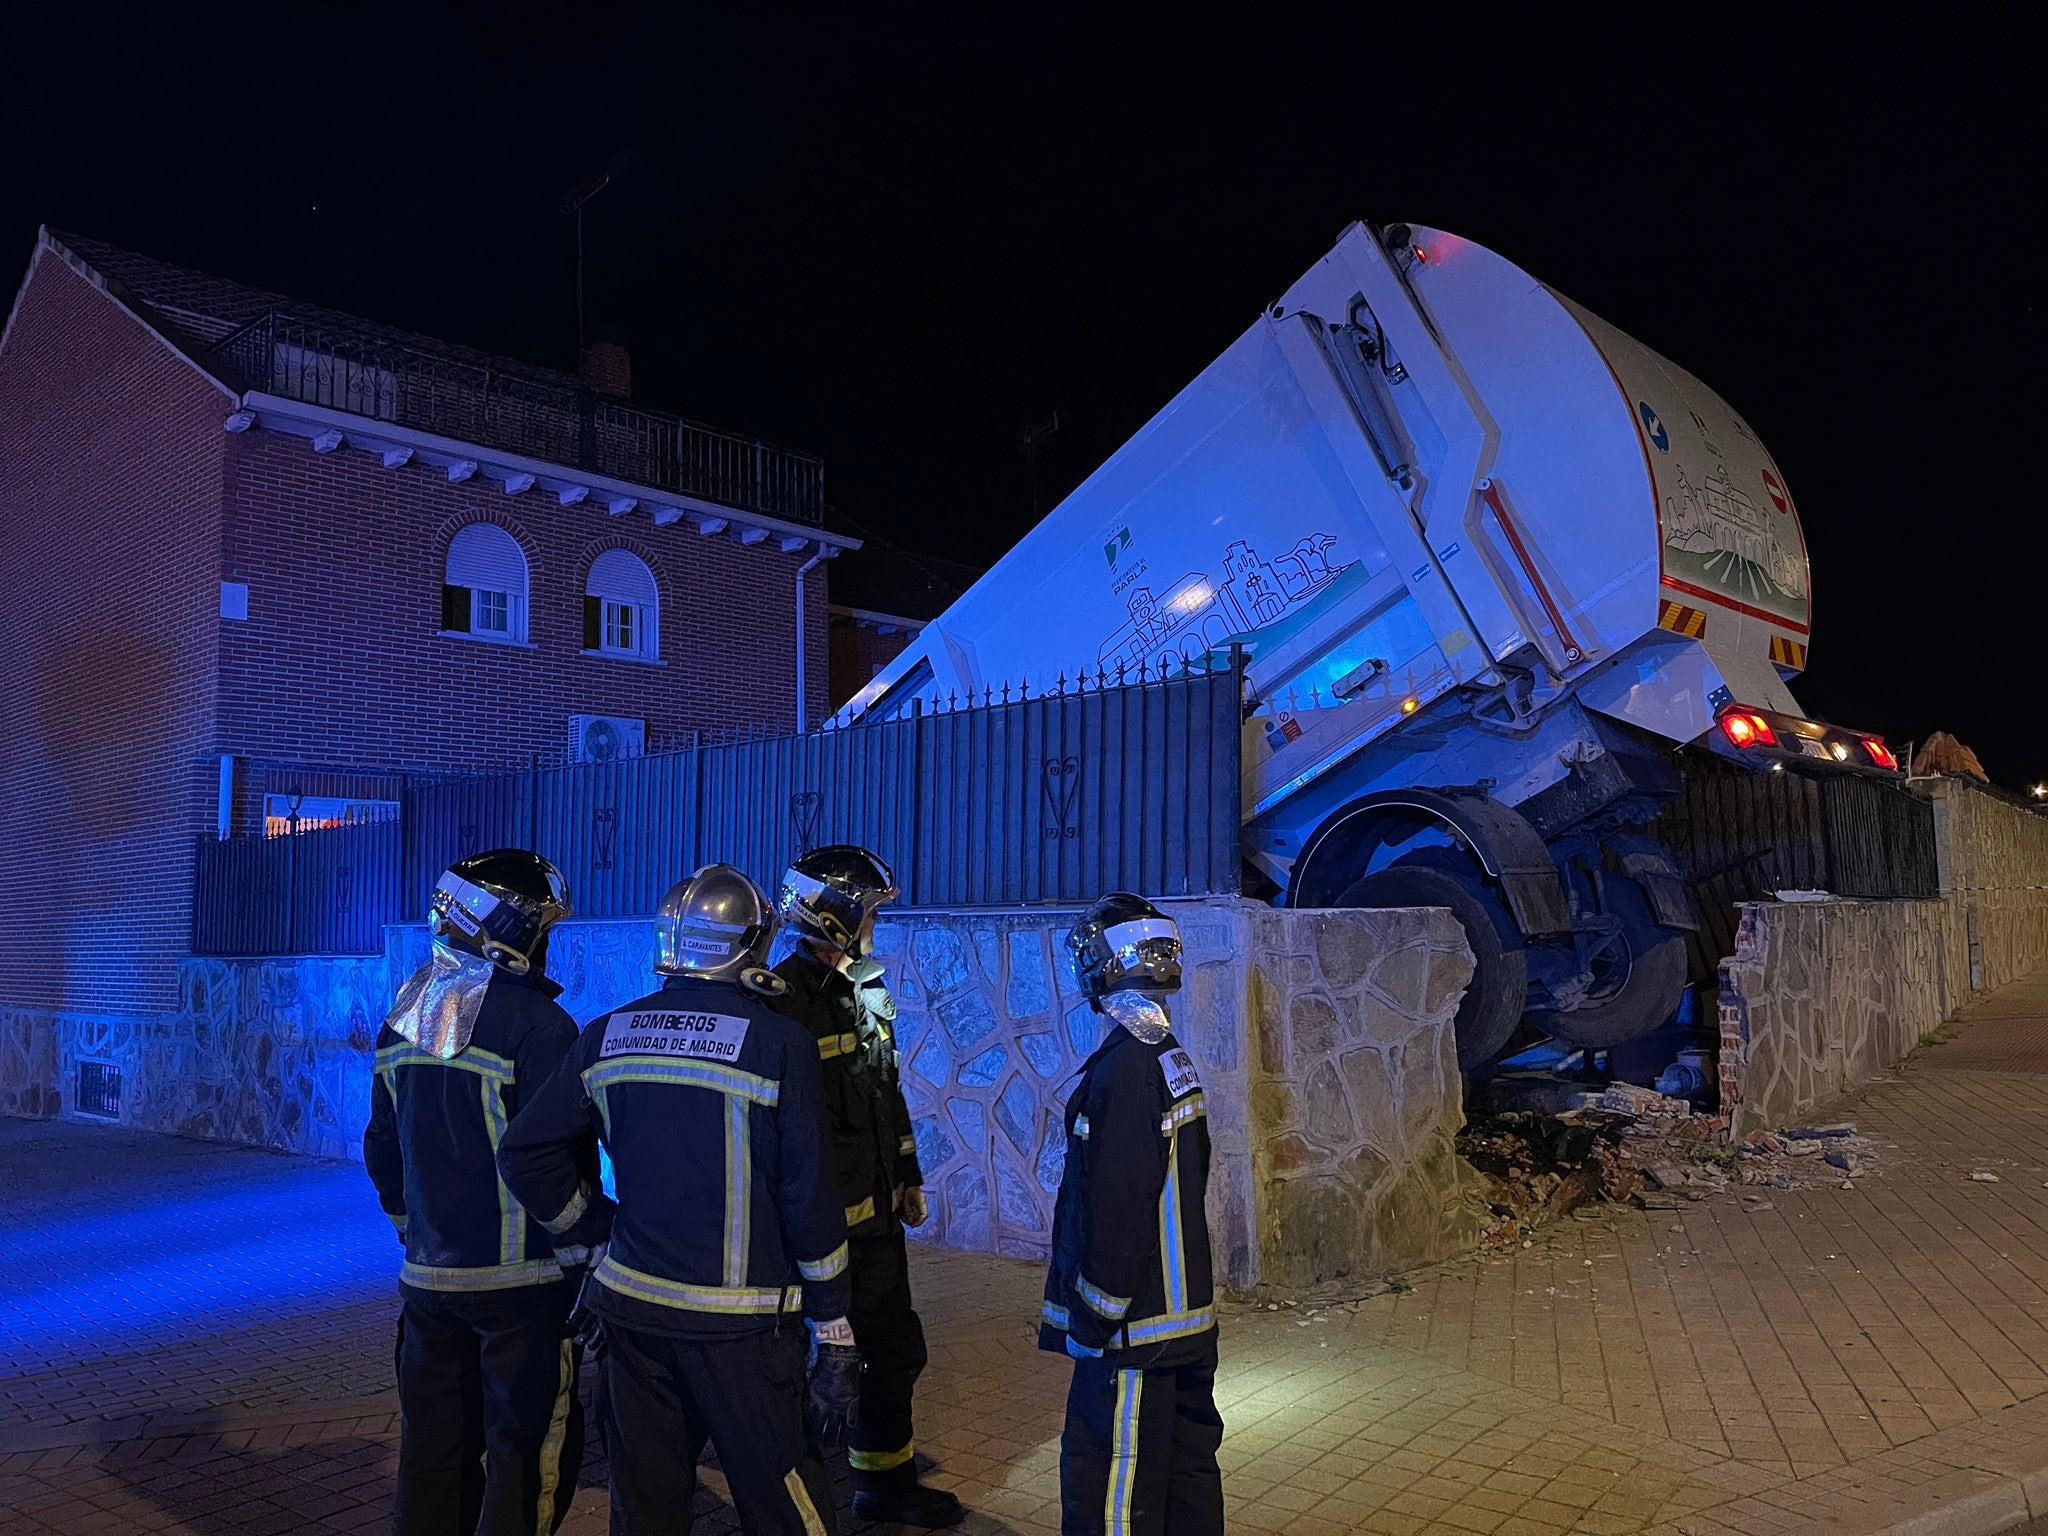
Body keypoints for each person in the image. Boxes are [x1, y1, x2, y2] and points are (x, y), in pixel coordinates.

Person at [498, 863, 858, 1536]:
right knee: (786, 1507)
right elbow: (808, 1194)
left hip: (631, 1315)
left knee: (646, 1505)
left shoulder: (605, 1034)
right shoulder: (781, 1044)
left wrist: (592, 1234)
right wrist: (834, 1328)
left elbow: (525, 1152)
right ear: (751, 946)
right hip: (742, 1330)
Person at [363, 849, 593, 1536]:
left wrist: (413, 1228)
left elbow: (382, 1150)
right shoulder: (542, 1028)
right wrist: (586, 1243)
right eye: (541, 927)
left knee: (433, 1456)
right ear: (508, 929)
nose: (546, 943)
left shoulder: (403, 1017)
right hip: (520, 1292)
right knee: (527, 1458)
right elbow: (560, 1157)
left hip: (427, 1285)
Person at [771, 846, 964, 1529]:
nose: (876, 924)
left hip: (878, 1221)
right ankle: (791, 1499)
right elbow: (789, 1136)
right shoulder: (785, 1002)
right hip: (825, 1233)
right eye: (869, 911)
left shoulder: (863, 987)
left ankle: (884, 1486)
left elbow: (885, 1091)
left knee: (895, 1353)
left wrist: (907, 1175)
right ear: (834, 917)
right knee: (825, 1370)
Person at [1040, 893, 1223, 1536]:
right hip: (1185, 1321)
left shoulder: (1127, 1070)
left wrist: (1092, 1317)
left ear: (1111, 967)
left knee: (1116, 1486)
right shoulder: (1169, 1057)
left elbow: (1119, 1208)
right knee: (1185, 1482)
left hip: (1135, 1333)